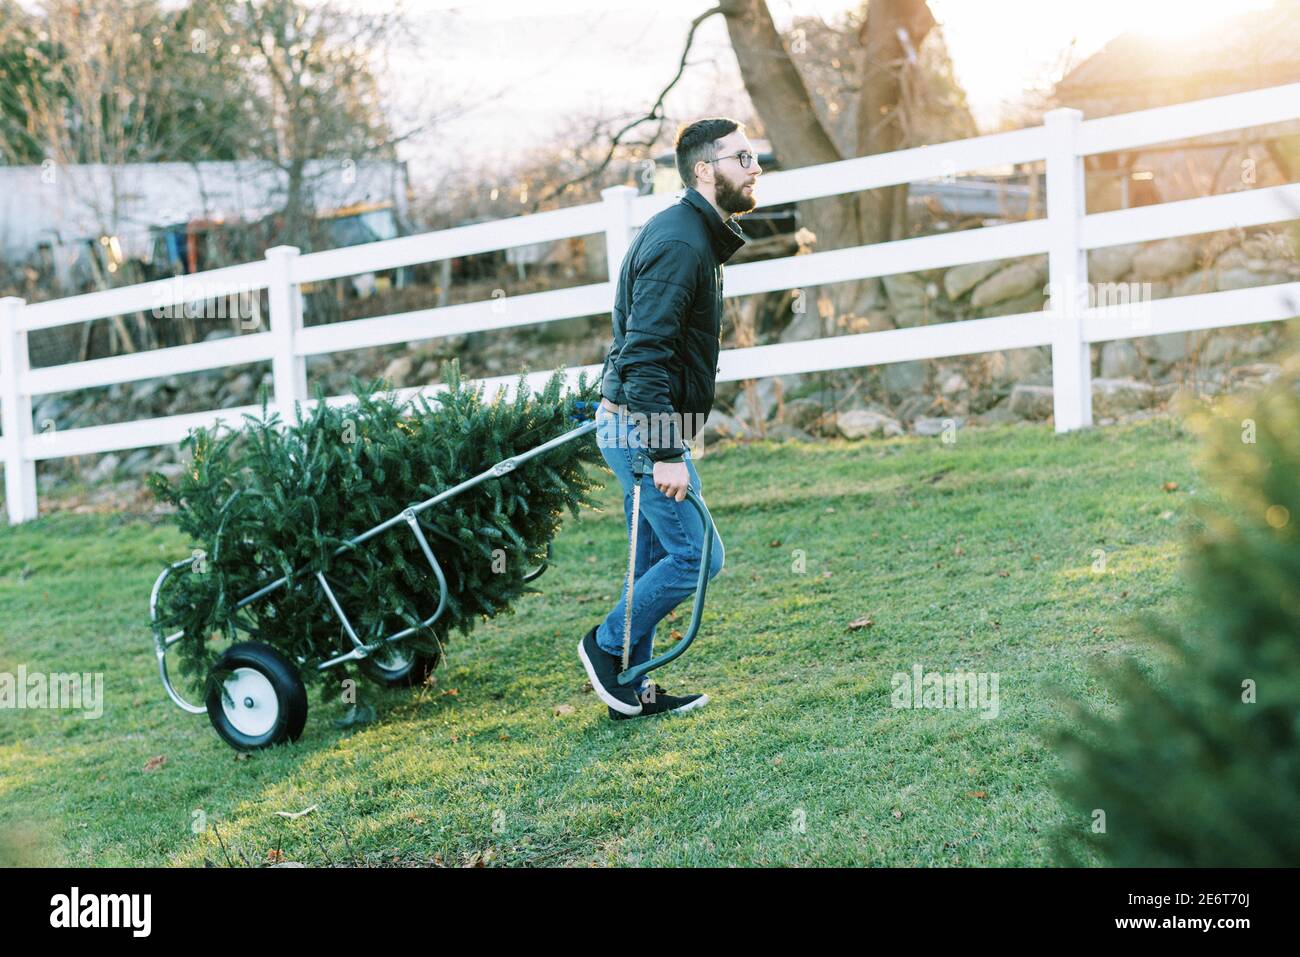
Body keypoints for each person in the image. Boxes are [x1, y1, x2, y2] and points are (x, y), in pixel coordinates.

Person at [578, 116, 762, 719]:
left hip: (642, 424)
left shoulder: (693, 234)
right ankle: (606, 648)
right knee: (697, 558)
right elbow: (644, 354)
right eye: (742, 158)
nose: (755, 166)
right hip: (640, 430)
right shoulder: (682, 243)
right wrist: (664, 451)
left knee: (658, 559)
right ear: (705, 170)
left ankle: (629, 687)